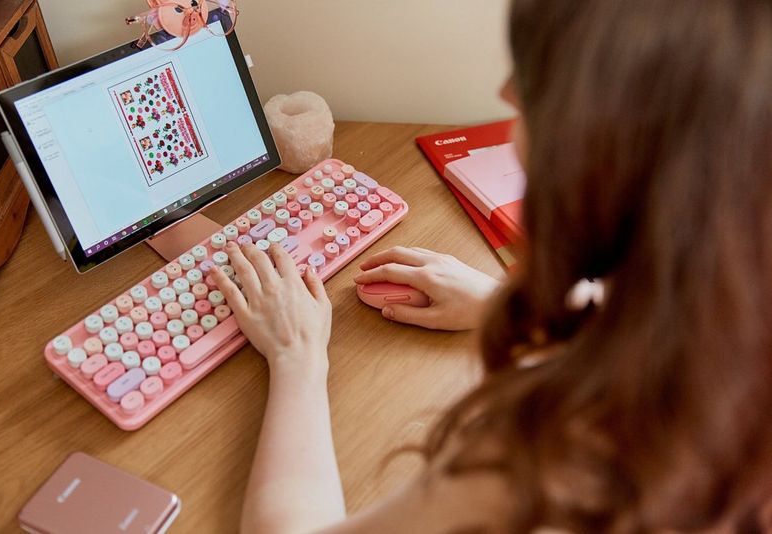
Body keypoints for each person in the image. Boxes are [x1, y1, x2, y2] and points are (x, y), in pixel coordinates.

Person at [209, 0, 772, 531]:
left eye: (535, 77)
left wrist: (296, 358)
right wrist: (550, 307)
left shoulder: (548, 453)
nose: (506, 91)